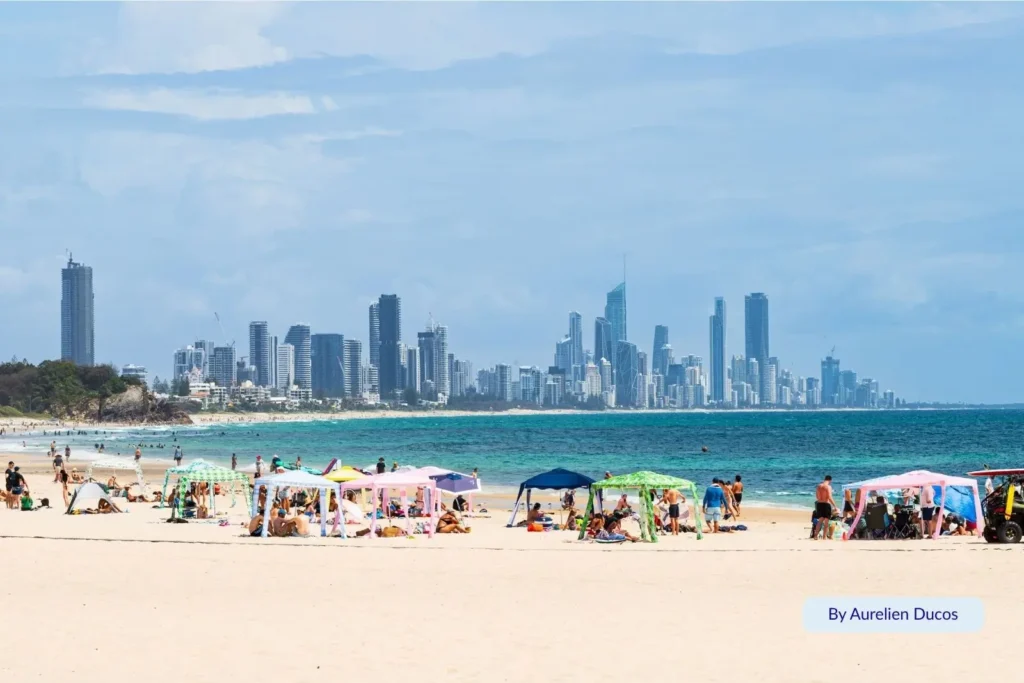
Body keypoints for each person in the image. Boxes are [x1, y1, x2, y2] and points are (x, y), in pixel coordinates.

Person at [813, 475, 838, 541]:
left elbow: (817, 497)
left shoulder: (819, 486)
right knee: (826, 522)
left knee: (820, 521)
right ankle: (824, 537)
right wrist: (835, 506)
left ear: (824, 479)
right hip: (826, 504)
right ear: (830, 480)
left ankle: (815, 536)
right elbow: (829, 497)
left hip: (819, 504)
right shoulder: (828, 487)